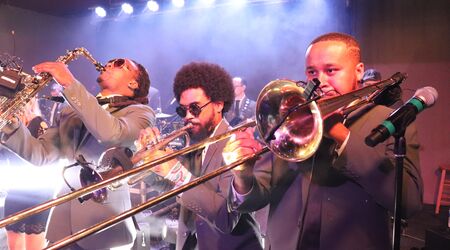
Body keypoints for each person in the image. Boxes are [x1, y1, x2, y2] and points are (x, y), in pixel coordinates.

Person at [224, 32, 423, 249]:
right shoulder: (291, 120)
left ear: (359, 71)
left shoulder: (388, 120)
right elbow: (254, 200)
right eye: (312, 72)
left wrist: (339, 134)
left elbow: (409, 202)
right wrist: (243, 177)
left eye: (331, 70)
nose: (321, 81)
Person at [0, 57, 154, 249]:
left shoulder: (141, 113)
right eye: (110, 61)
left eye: (120, 63)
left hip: (106, 230)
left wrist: (69, 83)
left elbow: (111, 134)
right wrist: (9, 123)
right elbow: (42, 155)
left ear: (133, 83)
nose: (109, 64)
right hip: (61, 228)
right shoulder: (70, 111)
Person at [135, 62, 263, 250]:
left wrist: (176, 171)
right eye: (183, 109)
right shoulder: (195, 142)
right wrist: (147, 162)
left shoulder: (236, 145)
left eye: (194, 108)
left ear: (219, 104)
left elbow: (226, 219)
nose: (187, 116)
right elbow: (170, 186)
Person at [1, 97, 53, 250]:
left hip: (38, 192)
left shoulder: (39, 123)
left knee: (34, 244)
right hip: (16, 189)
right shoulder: (7, 126)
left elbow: (45, 157)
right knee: (14, 242)